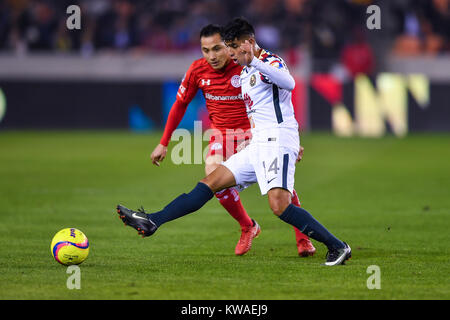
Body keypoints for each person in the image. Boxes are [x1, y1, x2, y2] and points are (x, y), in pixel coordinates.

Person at [117, 18, 351, 265]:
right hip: (258, 142)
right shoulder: (246, 70)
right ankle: (154, 220)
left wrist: (289, 141)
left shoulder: (269, 61)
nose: (229, 53)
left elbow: (289, 83)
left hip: (276, 142)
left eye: (232, 47)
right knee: (210, 182)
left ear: (249, 43)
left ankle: (337, 246)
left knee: (279, 206)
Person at [149, 24, 315, 257]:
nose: (212, 56)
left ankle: (303, 238)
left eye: (217, 48)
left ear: (229, 46)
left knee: (280, 186)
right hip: (221, 133)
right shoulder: (197, 70)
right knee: (212, 171)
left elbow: (279, 101)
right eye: (205, 50)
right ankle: (248, 225)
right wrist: (164, 142)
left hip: (253, 133)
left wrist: (289, 139)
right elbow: (180, 105)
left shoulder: (245, 67)